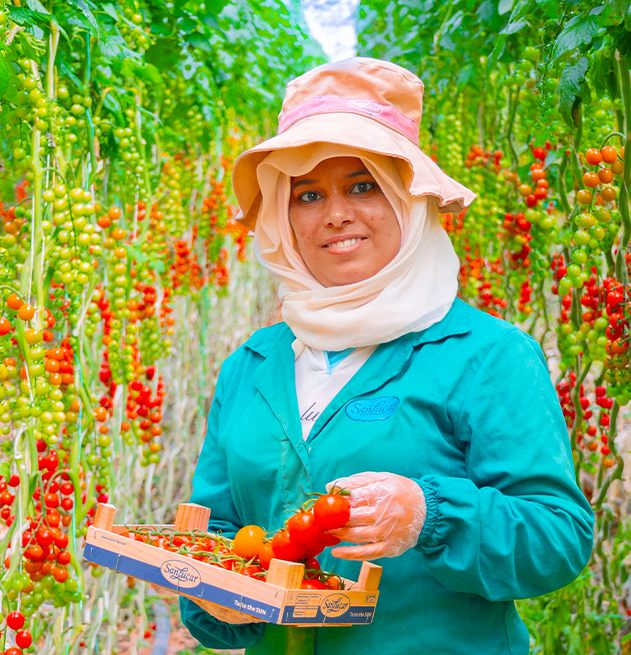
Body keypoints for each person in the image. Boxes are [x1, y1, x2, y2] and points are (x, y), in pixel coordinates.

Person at [179, 57, 594, 655]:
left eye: (362, 186)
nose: (335, 214)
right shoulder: (252, 365)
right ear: (282, 217)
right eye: (309, 194)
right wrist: (218, 596)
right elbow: (218, 532)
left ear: (408, 199)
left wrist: (429, 514)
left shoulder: (487, 356)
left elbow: (558, 537)